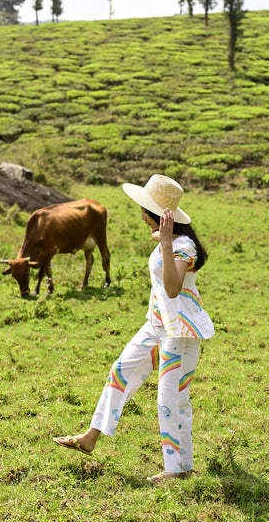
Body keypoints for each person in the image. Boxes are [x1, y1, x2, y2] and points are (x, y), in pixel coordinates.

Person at [53, 174, 214, 483]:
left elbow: (171, 288)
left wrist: (166, 241)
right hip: (156, 325)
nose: (141, 216)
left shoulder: (184, 248)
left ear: (159, 215)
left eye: (145, 210)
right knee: (121, 371)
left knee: (171, 400)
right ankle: (90, 437)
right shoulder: (169, 240)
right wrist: (162, 236)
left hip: (179, 333)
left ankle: (178, 469)